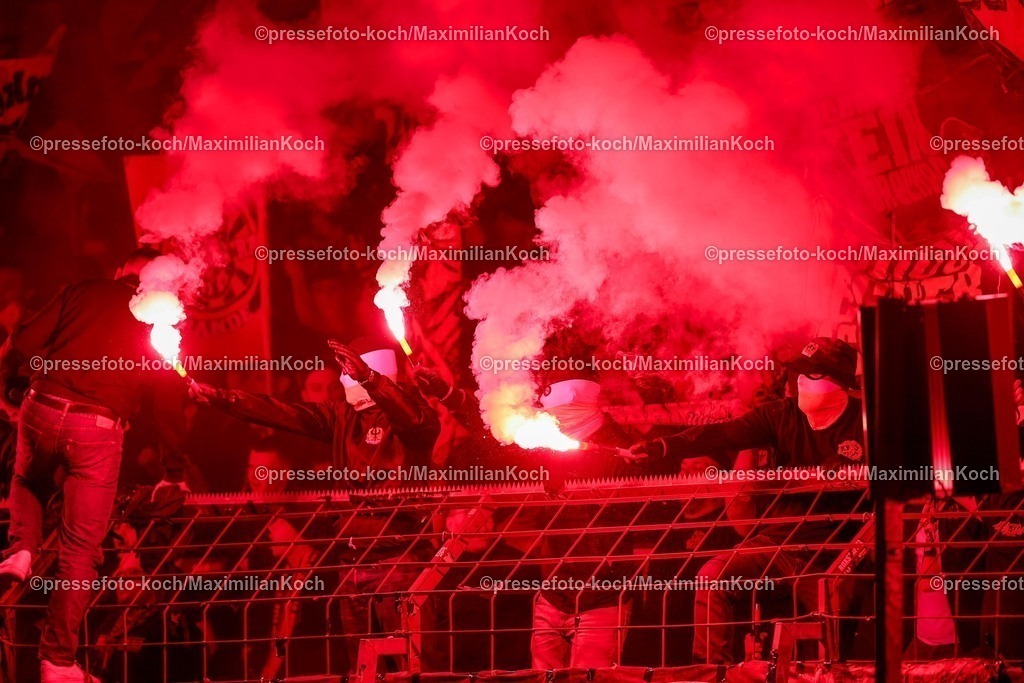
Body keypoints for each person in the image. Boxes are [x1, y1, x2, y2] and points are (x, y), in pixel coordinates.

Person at [0, 247, 183, 683]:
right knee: (80, 550)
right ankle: (58, 662)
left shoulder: (83, 290)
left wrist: (14, 385)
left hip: (42, 404)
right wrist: (173, 470)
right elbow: (168, 403)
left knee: (28, 478)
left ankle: (20, 549)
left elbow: (22, 342)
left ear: (121, 270)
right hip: (98, 427)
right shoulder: (160, 317)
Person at [629, 337, 867, 664]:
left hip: (837, 550)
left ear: (841, 383)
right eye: (798, 373)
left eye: (813, 375)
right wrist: (661, 447)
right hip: (779, 542)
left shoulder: (868, 421)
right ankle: (716, 672)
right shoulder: (779, 415)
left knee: (837, 633)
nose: (800, 382)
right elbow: (722, 434)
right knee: (712, 576)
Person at [189, 337, 439, 482]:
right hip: (353, 549)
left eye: (351, 371)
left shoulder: (415, 412)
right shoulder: (342, 415)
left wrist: (371, 381)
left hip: (404, 547)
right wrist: (225, 399)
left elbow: (417, 424)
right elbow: (282, 412)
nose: (345, 378)